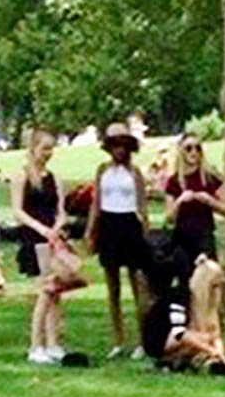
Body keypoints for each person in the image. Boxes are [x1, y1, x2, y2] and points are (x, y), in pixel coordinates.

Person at [14, 127, 86, 363]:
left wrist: (58, 225)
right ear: (33, 148)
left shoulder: (53, 178)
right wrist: (42, 229)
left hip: (54, 238)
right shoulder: (22, 176)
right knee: (46, 290)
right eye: (44, 148)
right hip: (35, 238)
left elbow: (61, 210)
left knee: (56, 294)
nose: (49, 153)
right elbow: (18, 211)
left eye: (51, 148)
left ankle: (53, 343)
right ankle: (36, 345)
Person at [86, 124, 153, 355]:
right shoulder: (102, 170)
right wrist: (90, 231)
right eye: (115, 145)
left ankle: (143, 341)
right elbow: (96, 204)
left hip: (130, 226)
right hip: (109, 226)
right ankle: (118, 340)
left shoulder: (135, 173)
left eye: (123, 145)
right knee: (112, 288)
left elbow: (142, 207)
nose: (119, 150)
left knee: (138, 286)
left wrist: (147, 235)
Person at [163, 134, 225, 270]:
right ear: (181, 151)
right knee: (187, 279)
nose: (194, 152)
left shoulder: (210, 178)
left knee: (208, 277)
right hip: (182, 237)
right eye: (188, 148)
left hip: (205, 235)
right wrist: (179, 201)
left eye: (198, 148)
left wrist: (210, 201)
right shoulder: (173, 182)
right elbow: (169, 218)